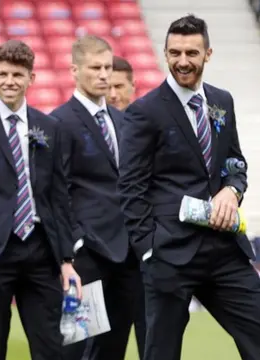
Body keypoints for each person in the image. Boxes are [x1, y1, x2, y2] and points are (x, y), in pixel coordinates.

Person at [118, 14, 260, 360]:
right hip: (169, 254)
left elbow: (235, 163)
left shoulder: (221, 101)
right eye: (175, 52)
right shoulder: (144, 112)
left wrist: (233, 190)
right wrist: (149, 250)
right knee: (161, 353)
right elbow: (131, 187)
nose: (183, 61)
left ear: (207, 54)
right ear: (166, 53)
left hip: (224, 250)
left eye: (192, 53)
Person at [0, 40, 80, 360]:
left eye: (18, 75)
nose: (10, 81)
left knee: (51, 344)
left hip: (40, 248)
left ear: (31, 79)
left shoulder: (49, 127)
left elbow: (58, 195)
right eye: (4, 74)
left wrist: (66, 258)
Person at [50, 35, 138, 360]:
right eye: (95, 68)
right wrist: (71, 249)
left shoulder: (123, 120)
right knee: (76, 347)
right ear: (75, 70)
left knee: (112, 350)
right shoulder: (58, 123)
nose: (104, 74)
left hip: (127, 254)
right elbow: (54, 193)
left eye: (107, 67)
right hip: (86, 258)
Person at [105, 54, 147, 359]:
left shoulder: (151, 130)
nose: (114, 94)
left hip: (146, 256)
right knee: (102, 345)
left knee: (155, 341)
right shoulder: (83, 131)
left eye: (120, 86)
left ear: (133, 87)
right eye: (108, 87)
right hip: (101, 256)